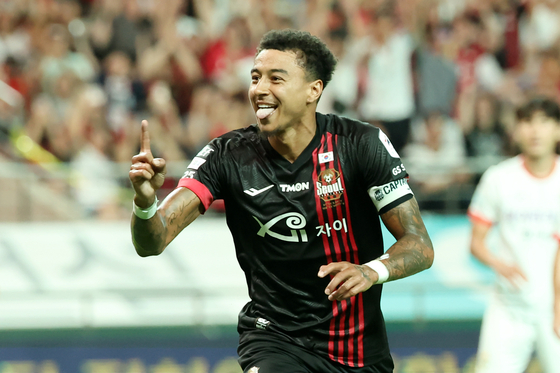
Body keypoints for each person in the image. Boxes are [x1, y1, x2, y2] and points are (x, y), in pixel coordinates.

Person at [129, 29, 434, 373]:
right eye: (255, 78)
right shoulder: (225, 157)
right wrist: (144, 202)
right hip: (273, 340)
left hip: (359, 353)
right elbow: (152, 242)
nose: (259, 90)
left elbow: (419, 244)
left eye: (276, 79)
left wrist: (371, 270)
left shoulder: (359, 145)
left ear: (313, 90)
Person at [468, 97, 560, 373]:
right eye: (527, 122)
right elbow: (476, 243)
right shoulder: (498, 178)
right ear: (517, 130)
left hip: (554, 309)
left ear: (557, 130)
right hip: (507, 308)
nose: (535, 131)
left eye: (544, 122)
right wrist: (501, 265)